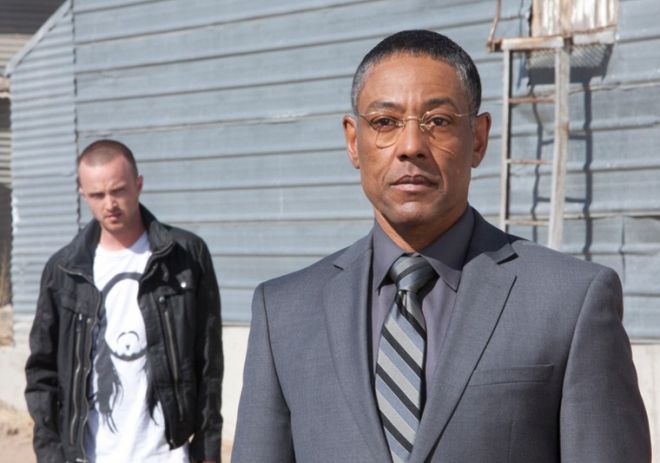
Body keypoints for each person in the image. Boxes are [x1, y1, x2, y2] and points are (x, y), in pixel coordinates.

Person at [232, 30, 650, 462]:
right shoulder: (284, 313)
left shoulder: (570, 301)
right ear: (354, 142)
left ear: (478, 139)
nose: (411, 146)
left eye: (438, 121)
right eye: (385, 122)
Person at [25, 140, 223, 463]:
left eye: (118, 190)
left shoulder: (185, 256)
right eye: (97, 195)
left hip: (167, 455)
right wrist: (50, 455)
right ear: (82, 194)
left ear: (138, 184)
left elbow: (208, 362)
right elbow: (42, 373)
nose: (110, 204)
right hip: (92, 455)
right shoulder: (64, 270)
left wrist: (208, 449)